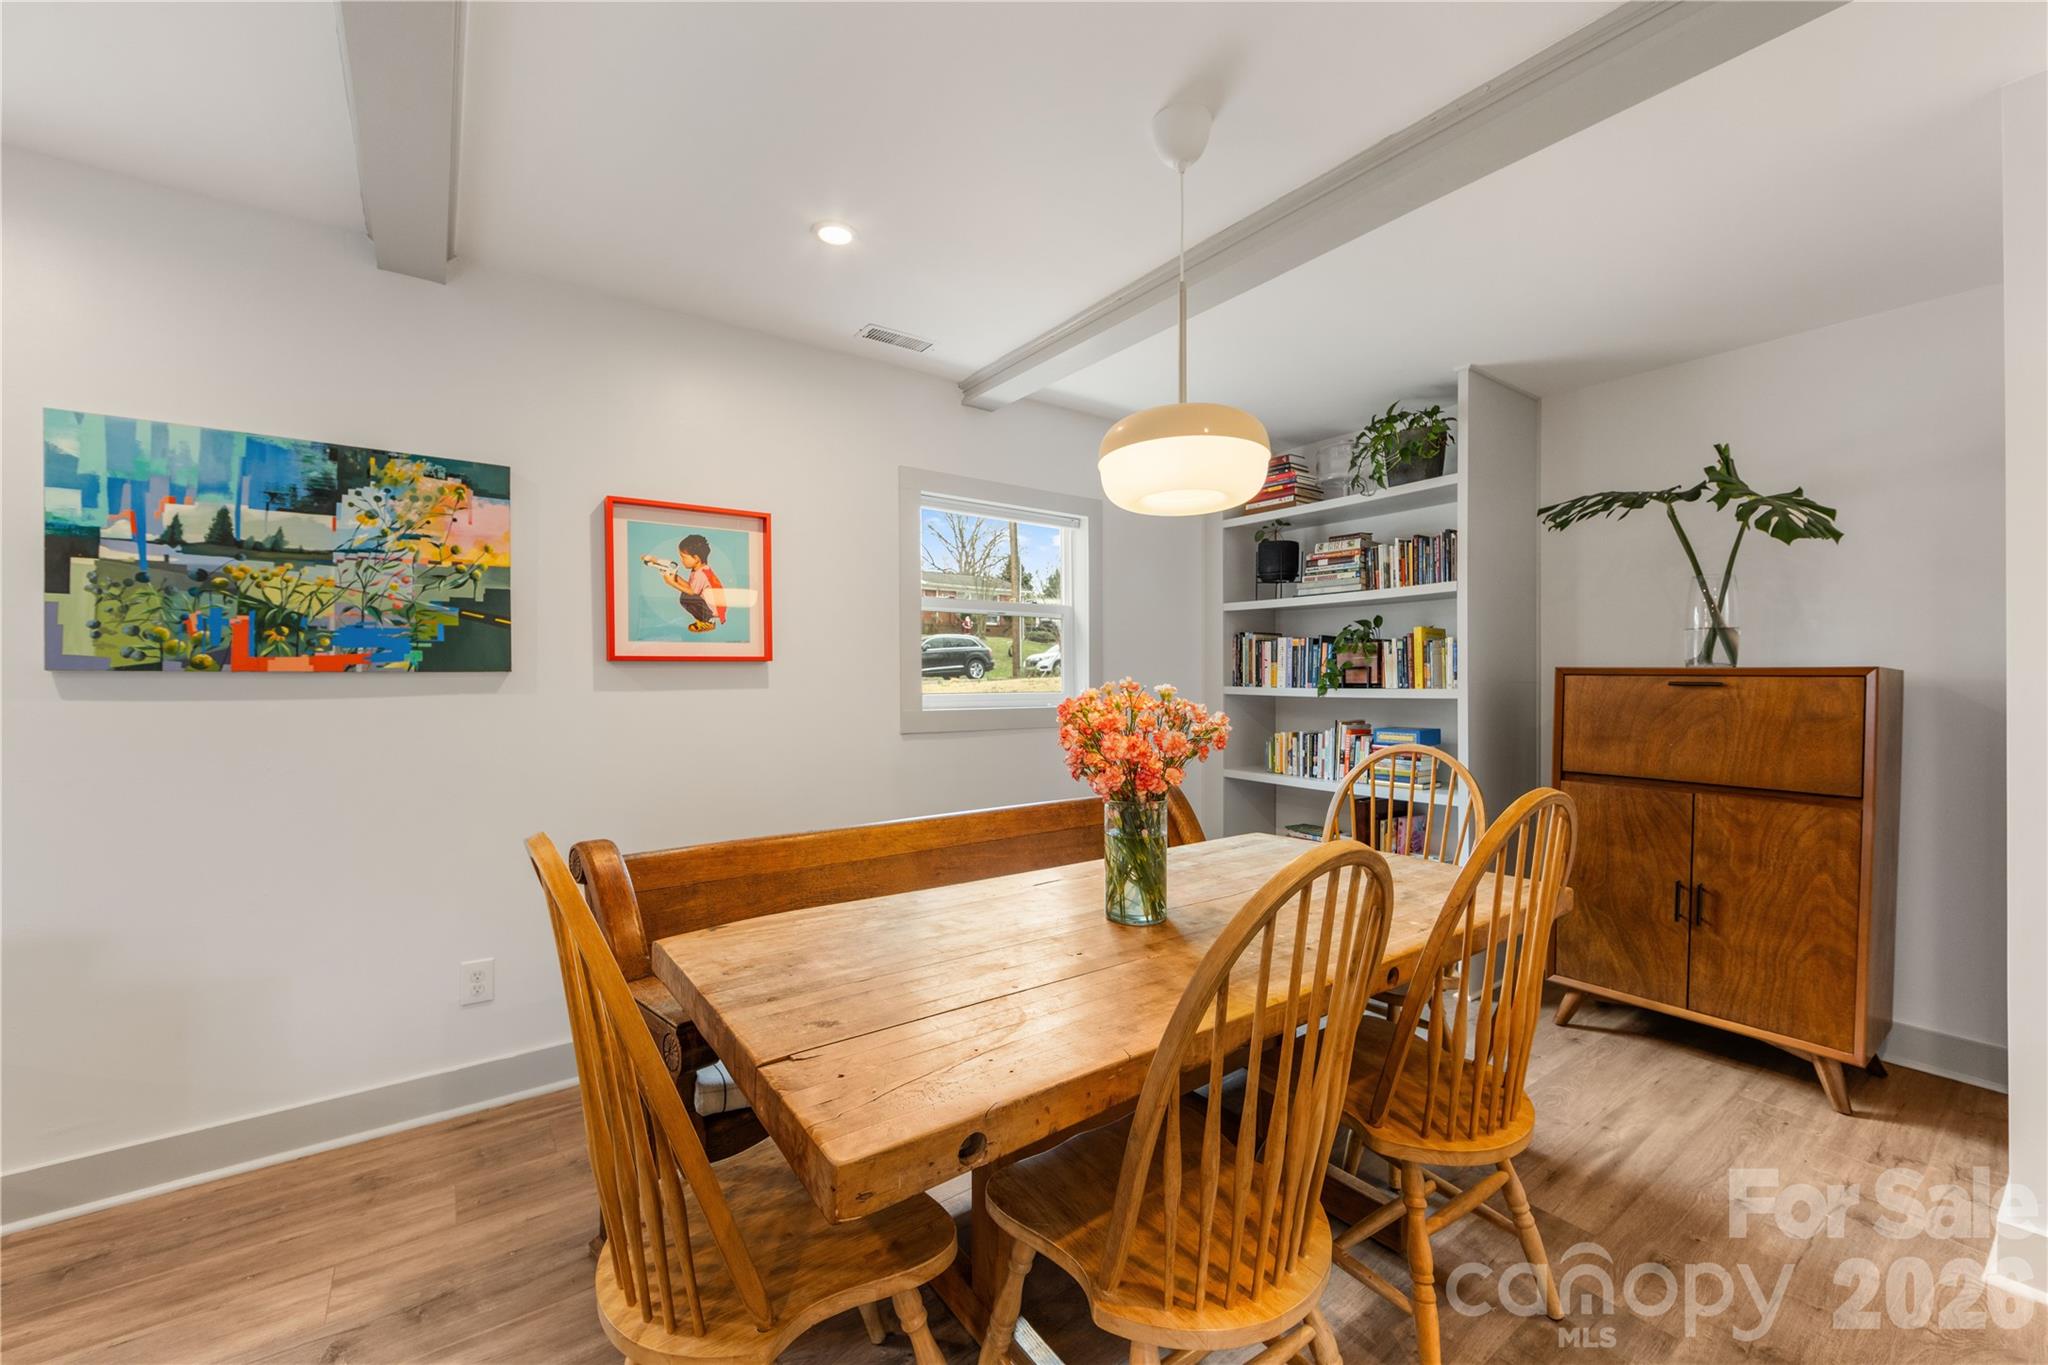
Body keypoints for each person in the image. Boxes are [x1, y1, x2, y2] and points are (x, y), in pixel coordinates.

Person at [643, 534, 726, 632]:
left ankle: (708, 622)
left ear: (696, 558)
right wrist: (674, 577)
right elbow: (690, 586)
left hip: (713, 610)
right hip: (711, 605)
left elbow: (692, 592)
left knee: (686, 599)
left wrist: (672, 583)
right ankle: (705, 619)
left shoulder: (701, 574)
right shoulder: (701, 569)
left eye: (683, 557)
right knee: (686, 596)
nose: (681, 560)